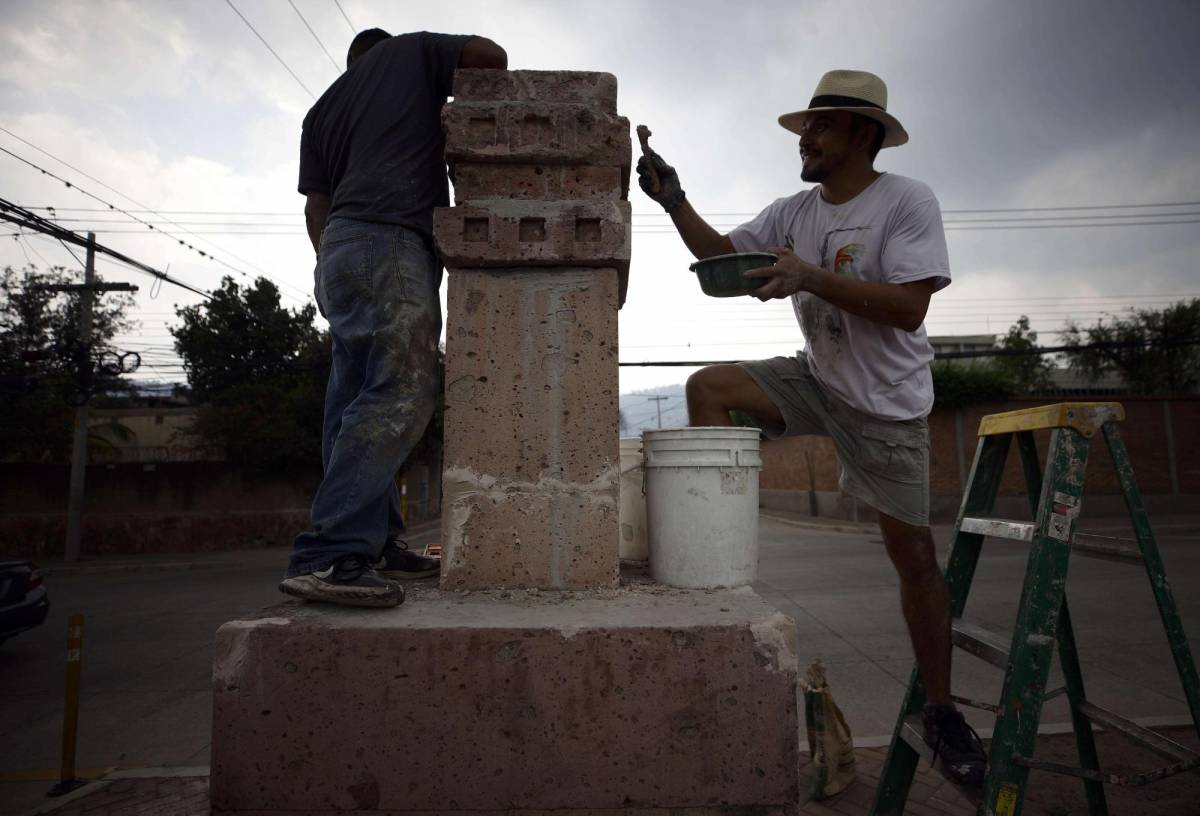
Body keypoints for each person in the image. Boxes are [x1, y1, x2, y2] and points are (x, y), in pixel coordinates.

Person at [636, 69, 987, 786]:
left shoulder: (906, 201)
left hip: (886, 406)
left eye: (822, 127)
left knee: (914, 560)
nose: (808, 139)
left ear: (864, 134)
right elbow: (720, 261)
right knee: (711, 386)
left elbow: (910, 310)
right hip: (817, 378)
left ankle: (945, 710)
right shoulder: (794, 212)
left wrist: (810, 278)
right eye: (806, 129)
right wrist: (674, 202)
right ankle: (717, 560)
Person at [280, 28, 507, 608]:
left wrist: (331, 262)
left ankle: (373, 544)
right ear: (378, 55)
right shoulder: (409, 51)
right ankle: (330, 554)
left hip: (338, 251)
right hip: (391, 238)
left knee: (351, 404)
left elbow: (317, 205)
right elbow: (490, 57)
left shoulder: (323, 108)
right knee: (400, 394)